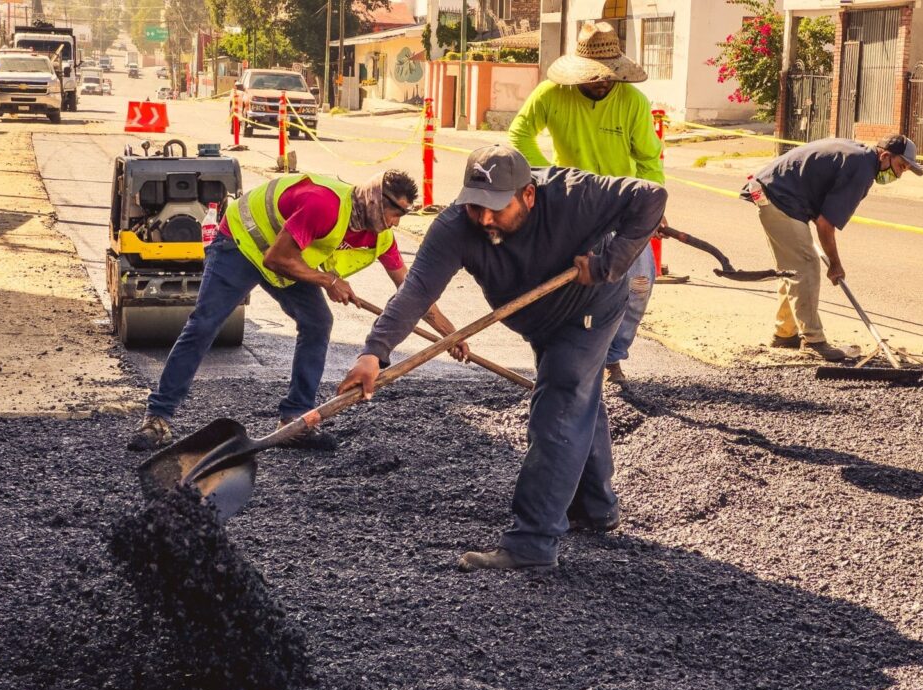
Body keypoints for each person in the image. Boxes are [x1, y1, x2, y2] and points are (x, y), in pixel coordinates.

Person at [338, 146, 666, 571]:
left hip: (588, 309)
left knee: (561, 397)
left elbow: (651, 197)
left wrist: (609, 263)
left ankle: (532, 543)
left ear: (528, 195)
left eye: (496, 207)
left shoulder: (575, 195)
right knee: (580, 395)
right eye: (476, 207)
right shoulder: (456, 226)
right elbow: (417, 290)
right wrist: (373, 353)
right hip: (536, 319)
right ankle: (596, 506)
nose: (485, 219)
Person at [128, 170, 462, 451]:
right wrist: (329, 281)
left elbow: (413, 293)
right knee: (205, 324)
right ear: (375, 200)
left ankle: (295, 419)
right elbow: (275, 258)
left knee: (317, 322)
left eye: (402, 215)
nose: (394, 222)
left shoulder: (380, 239)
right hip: (243, 244)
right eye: (393, 212)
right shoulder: (325, 206)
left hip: (288, 258)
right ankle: (158, 417)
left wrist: (451, 335)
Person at [508, 19, 664, 386]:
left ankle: (612, 358)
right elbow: (519, 135)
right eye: (594, 75)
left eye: (608, 74)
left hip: (623, 206)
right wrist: (551, 178)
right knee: (567, 284)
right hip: (571, 207)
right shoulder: (551, 94)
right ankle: (557, 355)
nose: (602, 81)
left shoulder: (633, 103)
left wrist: (653, 207)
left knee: (639, 281)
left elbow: (648, 160)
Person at [744, 134, 923, 362]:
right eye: (900, 167)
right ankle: (813, 340)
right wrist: (835, 265)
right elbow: (825, 224)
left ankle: (785, 332)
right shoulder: (861, 170)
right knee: (806, 266)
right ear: (886, 156)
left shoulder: (859, 155)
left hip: (771, 191)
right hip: (779, 197)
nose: (898, 175)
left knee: (792, 268)